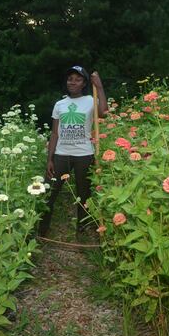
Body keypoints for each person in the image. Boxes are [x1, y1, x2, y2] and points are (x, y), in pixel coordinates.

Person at [39, 65, 108, 238]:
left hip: (84, 154)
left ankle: (81, 230)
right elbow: (55, 133)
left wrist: (99, 87)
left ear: (84, 83)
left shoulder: (90, 100)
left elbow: (103, 114)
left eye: (78, 79)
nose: (73, 82)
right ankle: (41, 230)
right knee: (48, 191)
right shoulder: (60, 104)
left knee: (84, 194)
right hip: (61, 154)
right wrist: (50, 159)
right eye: (70, 79)